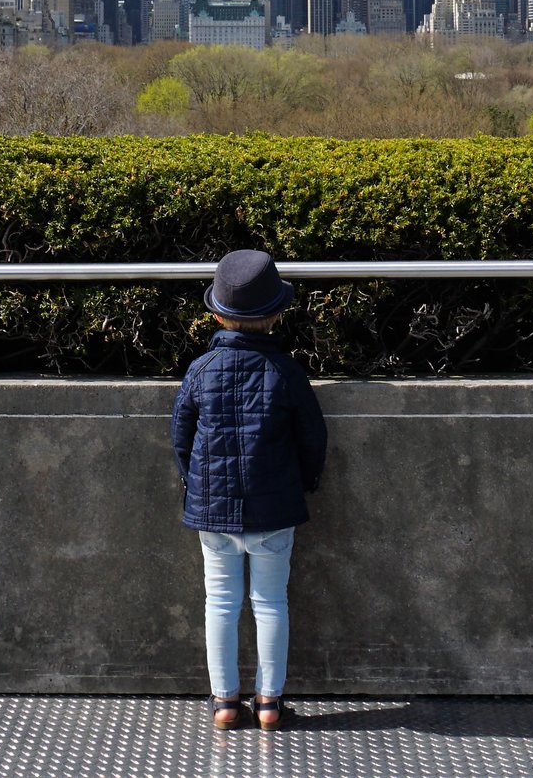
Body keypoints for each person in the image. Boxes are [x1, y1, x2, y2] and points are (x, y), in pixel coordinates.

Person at [171, 248, 328, 731]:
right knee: (270, 602)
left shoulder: (200, 370)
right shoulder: (286, 371)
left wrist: (193, 485)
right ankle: (268, 703)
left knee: (219, 602)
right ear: (277, 314)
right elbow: (312, 436)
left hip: (212, 511)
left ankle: (223, 702)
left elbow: (182, 435)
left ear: (216, 312)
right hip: (274, 509)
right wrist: (306, 483)